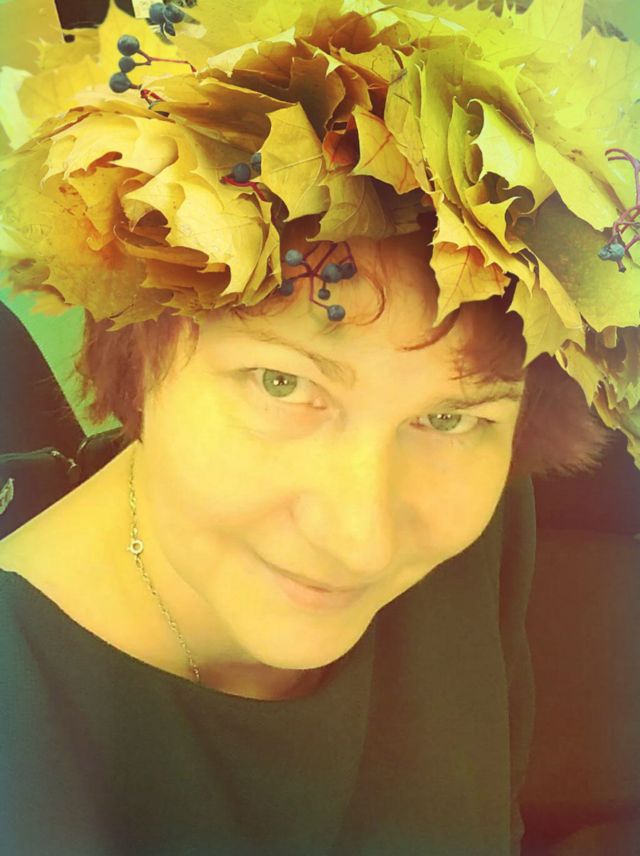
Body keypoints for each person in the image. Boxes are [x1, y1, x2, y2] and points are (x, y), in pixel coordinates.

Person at [0, 0, 637, 854]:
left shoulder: (483, 523)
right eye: (283, 383)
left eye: (448, 415)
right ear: (134, 358)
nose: (361, 541)